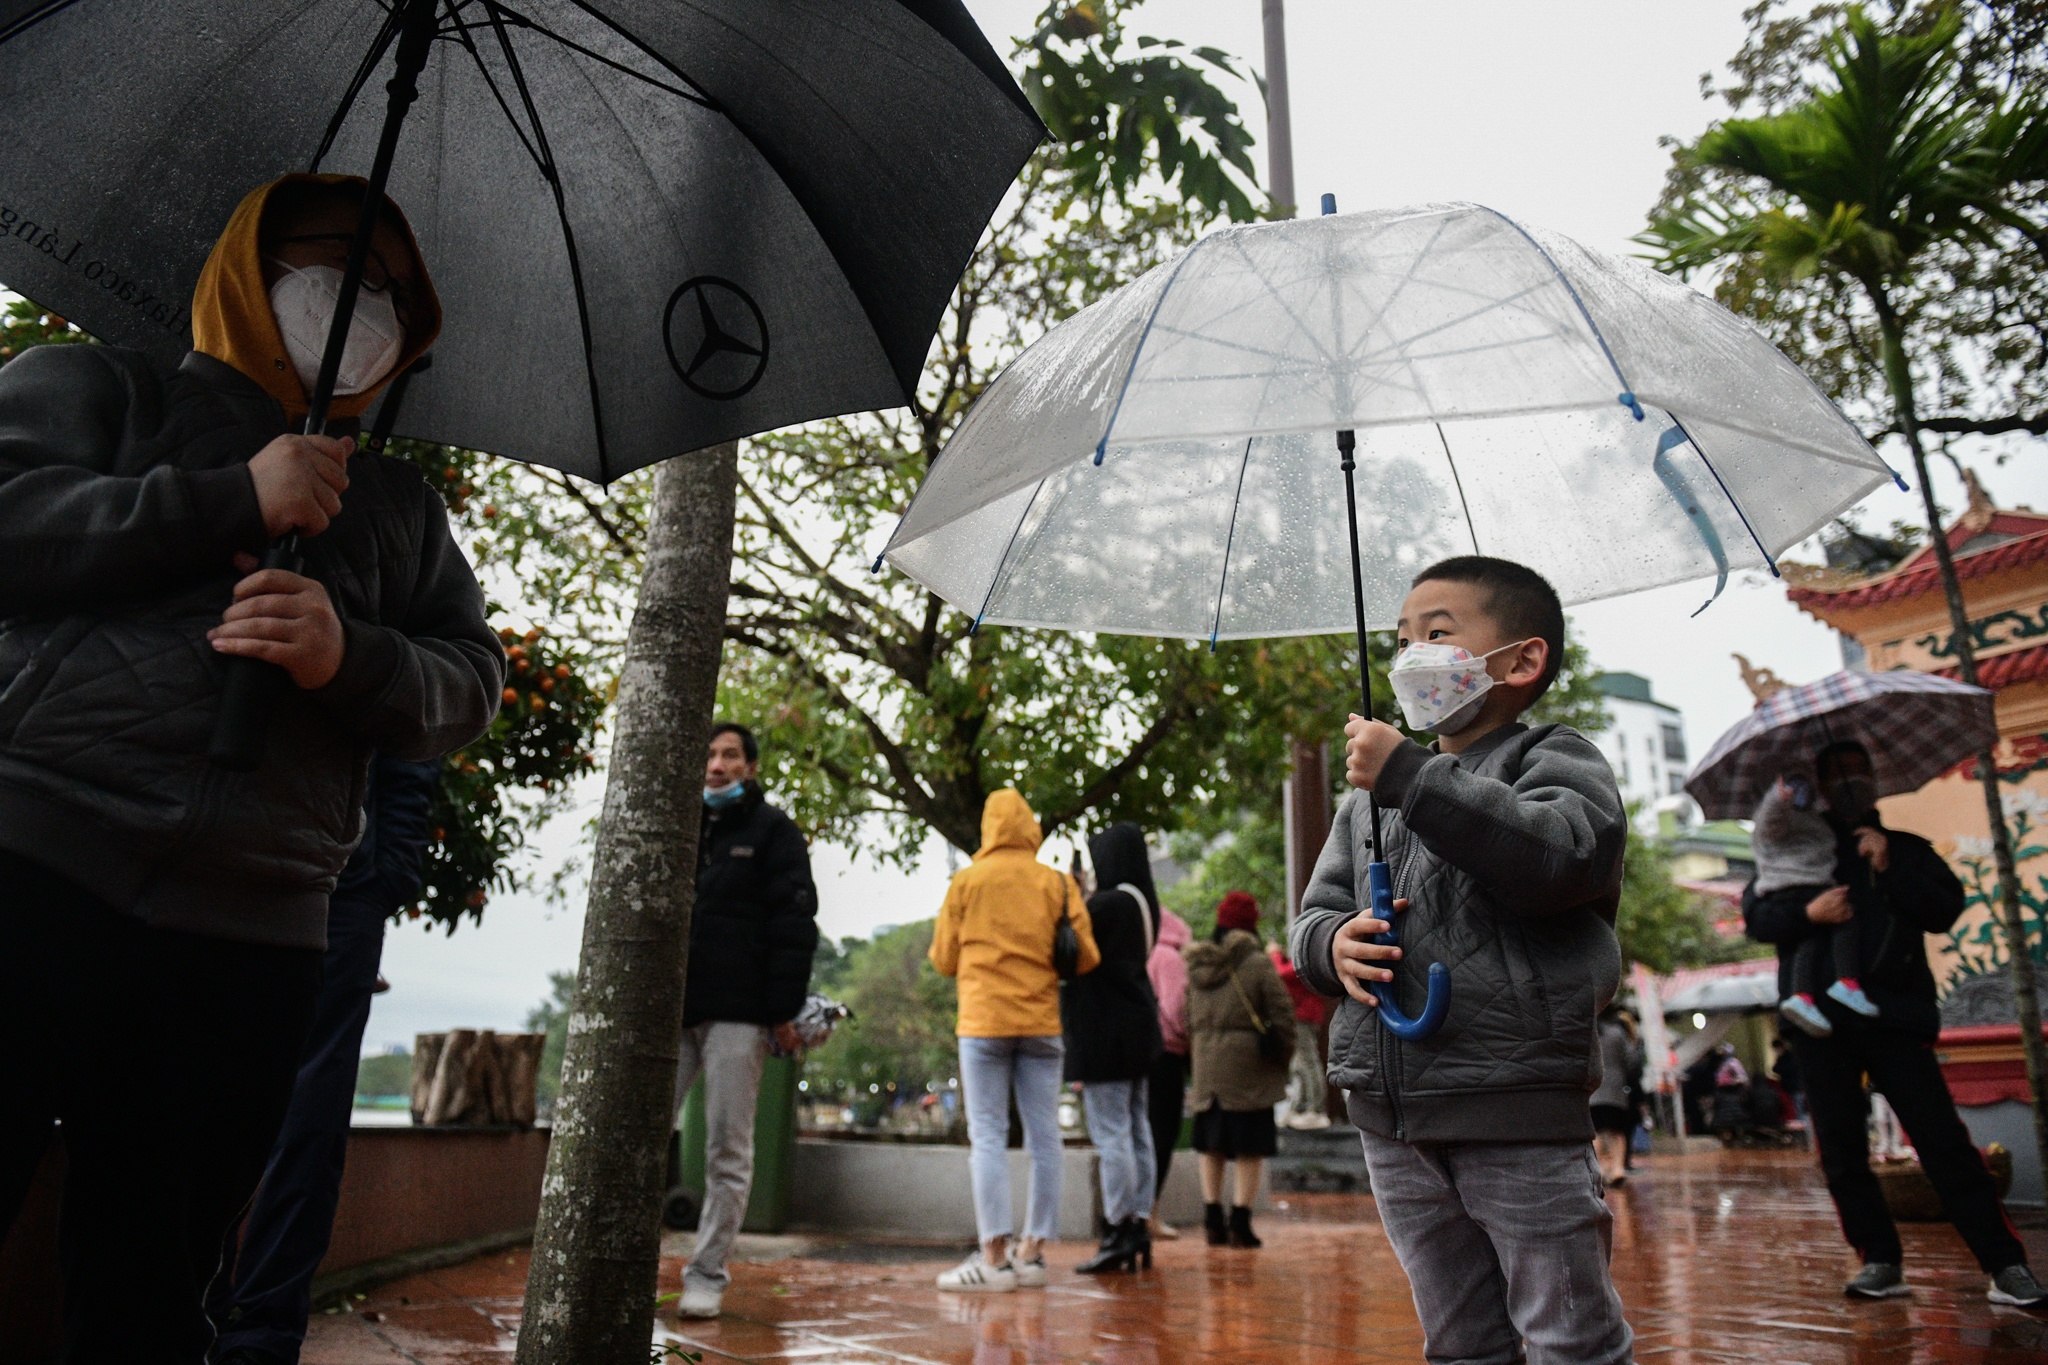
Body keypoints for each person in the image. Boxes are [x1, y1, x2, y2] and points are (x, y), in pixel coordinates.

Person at [0, 174, 502, 1361]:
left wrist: (351, 656)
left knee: (151, 1290)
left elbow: (466, 683)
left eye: (394, 292)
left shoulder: (398, 509)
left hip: (251, 934)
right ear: (247, 266)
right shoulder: (93, 385)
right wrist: (231, 494)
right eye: (337, 263)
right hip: (32, 862)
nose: (362, 300)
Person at [1289, 555, 1634, 1365]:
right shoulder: (1367, 801)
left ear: (1522, 659)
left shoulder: (1555, 757)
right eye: (1403, 637)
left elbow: (1560, 857)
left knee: (1569, 1334)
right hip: (1393, 1118)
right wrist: (1329, 944)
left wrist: (1411, 775)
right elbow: (1312, 915)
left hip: (1514, 1108)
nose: (1412, 655)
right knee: (1459, 1338)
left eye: (1438, 634)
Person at [1744, 739, 2047, 1307]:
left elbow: (1945, 911)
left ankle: (2006, 1267)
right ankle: (1879, 1260)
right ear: (1821, 783)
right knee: (1841, 1151)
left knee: (1944, 1144)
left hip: (1896, 1018)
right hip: (1818, 1025)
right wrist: (1808, 913)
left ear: (1875, 777)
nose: (1849, 780)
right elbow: (1757, 915)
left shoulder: (1907, 847)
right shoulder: (1798, 844)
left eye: (1859, 768)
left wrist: (1889, 864)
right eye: (1836, 772)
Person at [210, 754, 441, 1364]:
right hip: (214, 870)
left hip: (341, 890)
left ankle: (261, 1334)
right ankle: (191, 1313)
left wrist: (385, 877)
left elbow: (415, 743)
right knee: (201, 1094)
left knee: (313, 1115)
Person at [672, 722, 819, 1319]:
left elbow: (794, 926)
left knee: (726, 1150)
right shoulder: (680, 824)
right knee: (640, 1136)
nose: (716, 764)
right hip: (673, 1010)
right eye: (708, 753)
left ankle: (706, 1272)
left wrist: (781, 1012)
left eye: (729, 755)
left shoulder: (775, 833)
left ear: (750, 768)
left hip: (740, 1014)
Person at [928, 789, 1098, 1292]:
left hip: (983, 1022)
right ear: (1030, 828)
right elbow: (1085, 956)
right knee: (1045, 1136)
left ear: (987, 827)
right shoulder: (1056, 883)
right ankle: (1034, 1252)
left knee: (988, 1134)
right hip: (1042, 1021)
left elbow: (942, 958)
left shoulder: (965, 882)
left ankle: (994, 1258)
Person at [1062, 822, 1164, 1274]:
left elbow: (1067, 938)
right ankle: (1138, 1222)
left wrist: (1073, 894)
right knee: (1137, 1128)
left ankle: (1118, 1226)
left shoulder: (1107, 904)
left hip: (1105, 1031)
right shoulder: (1143, 902)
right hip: (1138, 1027)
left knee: (1111, 1133)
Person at [1184, 891, 1293, 1249]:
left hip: (1206, 1067)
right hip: (1250, 1071)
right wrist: (1281, 1055)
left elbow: (1185, 1019)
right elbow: (1283, 1016)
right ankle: (1240, 1224)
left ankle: (1212, 1219)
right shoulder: (1258, 965)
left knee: (1210, 1146)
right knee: (1250, 1148)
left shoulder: (1197, 965)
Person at [1753, 776, 1877, 1034]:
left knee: (1811, 940)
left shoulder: (1815, 819)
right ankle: (1844, 982)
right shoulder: (1781, 820)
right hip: (1802, 885)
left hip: (1811, 882)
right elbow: (1769, 821)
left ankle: (1805, 995)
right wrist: (1778, 798)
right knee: (1842, 921)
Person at [1145, 897, 1193, 1240]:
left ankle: (1142, 1212)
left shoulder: (1143, 953)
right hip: (1167, 1054)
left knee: (1144, 1134)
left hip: (1142, 1053)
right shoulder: (1170, 959)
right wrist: (1189, 1038)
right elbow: (1177, 1008)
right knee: (1162, 1136)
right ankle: (1150, 1213)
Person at [1271, 942, 1333, 1130]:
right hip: (1301, 1014)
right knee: (1299, 1064)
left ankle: (1316, 1108)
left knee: (1307, 1062)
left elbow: (1282, 973)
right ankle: (1300, 1107)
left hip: (1304, 1016)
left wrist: (1274, 954)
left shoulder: (1304, 960)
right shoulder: (1304, 958)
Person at [1590, 1005, 1639, 1186]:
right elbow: (1631, 1059)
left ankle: (1602, 1168)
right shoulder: (1617, 1032)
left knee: (1597, 1132)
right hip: (1616, 1090)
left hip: (1593, 1090)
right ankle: (1618, 1168)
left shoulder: (1587, 1034)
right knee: (1617, 1132)